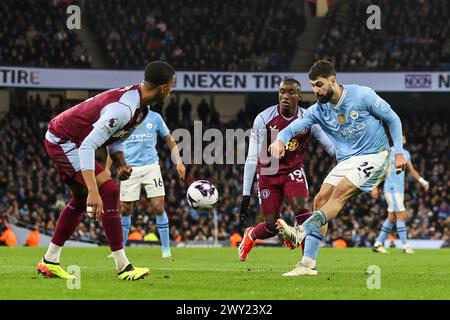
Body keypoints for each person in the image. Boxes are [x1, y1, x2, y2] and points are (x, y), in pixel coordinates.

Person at [37, 61, 176, 281]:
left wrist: (120, 163)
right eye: (172, 86)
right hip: (64, 140)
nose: (171, 91)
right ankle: (123, 267)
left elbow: (115, 140)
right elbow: (88, 146)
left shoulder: (141, 109)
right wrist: (94, 191)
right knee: (109, 191)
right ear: (163, 87)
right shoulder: (125, 109)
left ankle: (50, 261)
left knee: (81, 200)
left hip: (73, 140)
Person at [269, 60, 407, 276]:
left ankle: (300, 231)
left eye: (319, 84)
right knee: (320, 200)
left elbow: (393, 119)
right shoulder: (318, 110)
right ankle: (307, 265)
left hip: (375, 155)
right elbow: (293, 128)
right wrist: (280, 140)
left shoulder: (362, 95)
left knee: (340, 192)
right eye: (313, 85)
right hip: (347, 161)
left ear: (333, 81)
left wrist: (398, 152)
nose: (315, 90)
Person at [238, 78, 335, 273]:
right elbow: (251, 158)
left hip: (293, 170)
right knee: (271, 226)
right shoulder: (263, 119)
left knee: (302, 213)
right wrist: (245, 195)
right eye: (282, 92)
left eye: (291, 92)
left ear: (299, 96)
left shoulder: (309, 118)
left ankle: (306, 263)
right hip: (268, 173)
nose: (285, 96)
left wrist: (352, 154)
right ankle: (250, 235)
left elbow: (330, 147)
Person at [105, 107, 185, 258]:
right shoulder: (126, 118)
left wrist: (179, 162)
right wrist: (107, 168)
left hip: (151, 167)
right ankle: (120, 250)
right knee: (125, 209)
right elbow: (115, 145)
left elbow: (169, 139)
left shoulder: (155, 117)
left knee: (159, 207)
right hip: (129, 168)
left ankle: (166, 249)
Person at [372, 135, 429, 254]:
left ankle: (378, 243)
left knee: (392, 218)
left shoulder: (406, 154)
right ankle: (406, 245)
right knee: (401, 214)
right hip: (391, 188)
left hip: (400, 189)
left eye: (404, 137)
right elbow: (378, 170)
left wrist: (422, 181)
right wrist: (374, 187)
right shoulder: (387, 152)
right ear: (396, 140)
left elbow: (411, 170)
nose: (404, 139)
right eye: (401, 137)